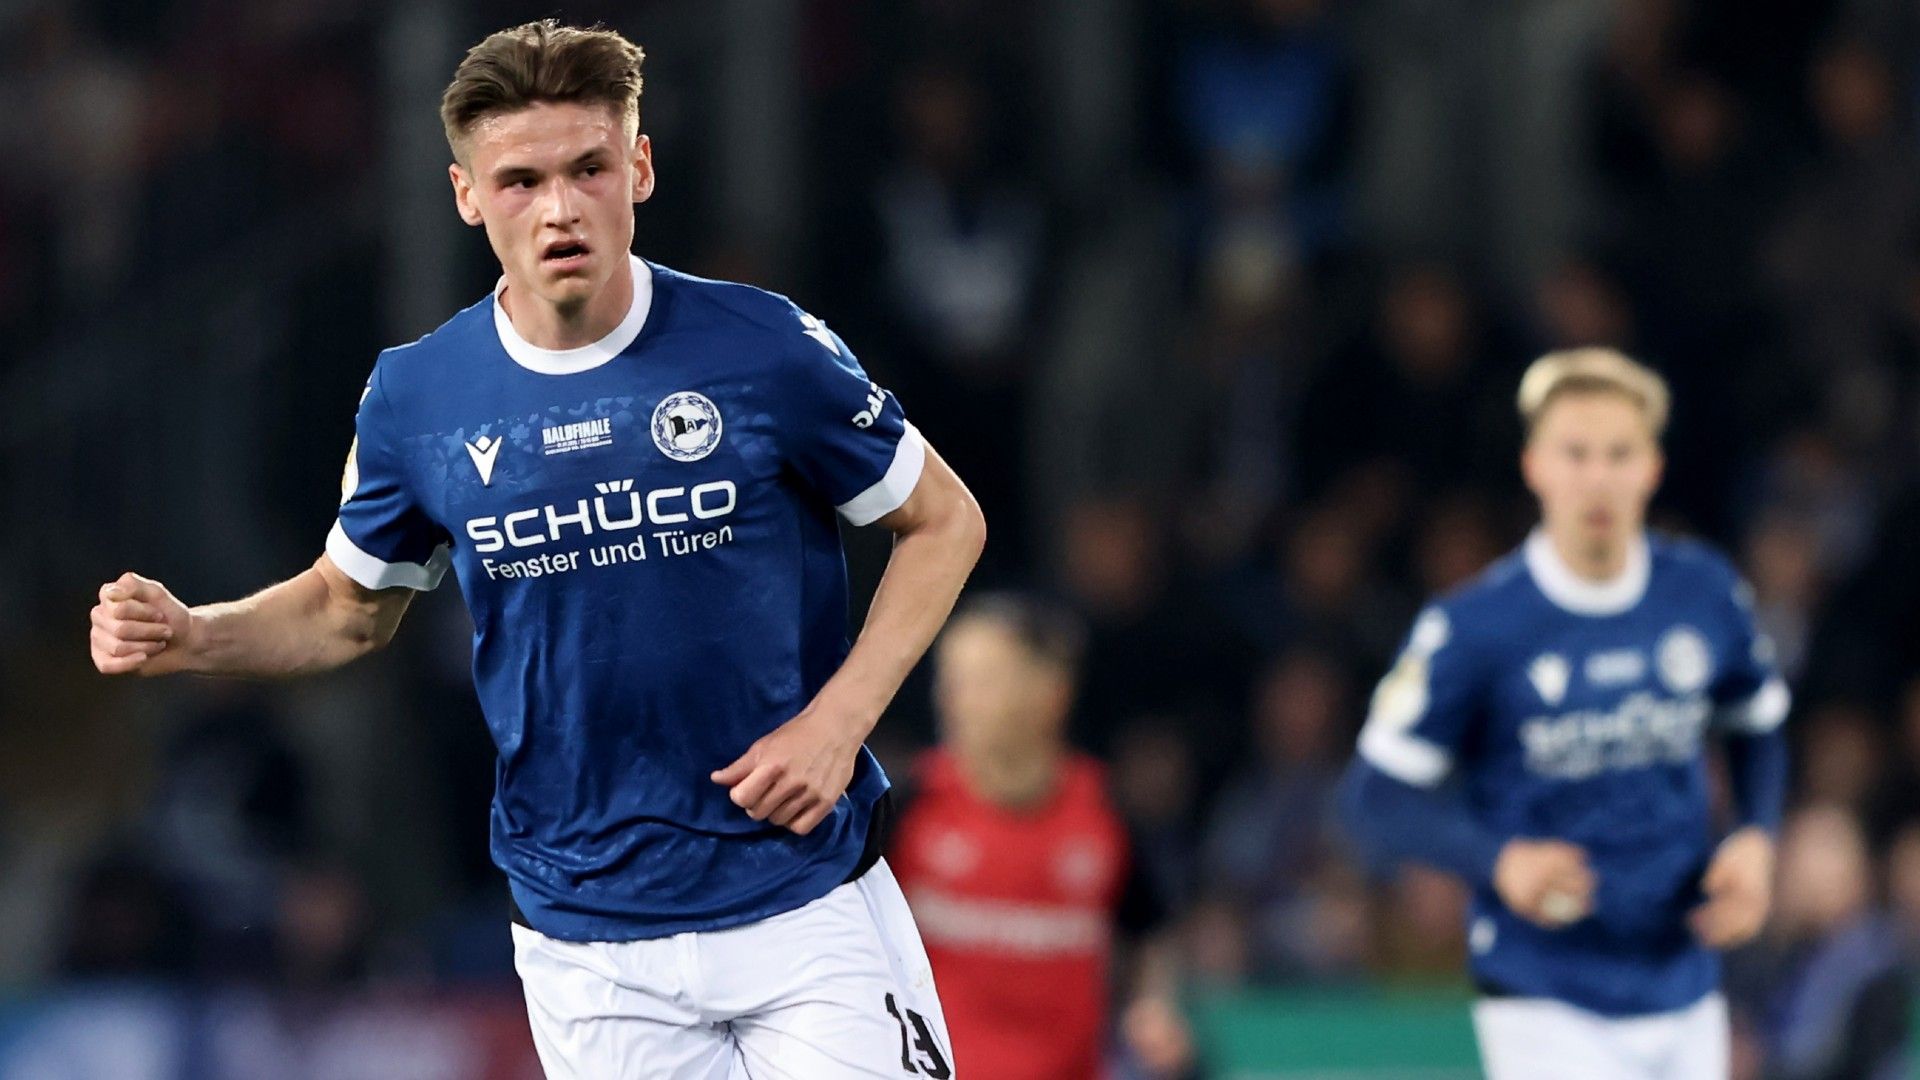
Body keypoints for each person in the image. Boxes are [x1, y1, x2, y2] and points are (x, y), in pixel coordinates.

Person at [85, 21, 985, 1080]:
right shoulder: (417, 398)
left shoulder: (764, 350)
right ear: (466, 195)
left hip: (805, 902)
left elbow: (943, 520)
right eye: (520, 181)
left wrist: (840, 723)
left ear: (637, 169)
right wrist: (197, 634)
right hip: (588, 948)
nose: (559, 207)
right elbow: (345, 609)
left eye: (588, 168)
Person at [1339, 348, 1789, 1079]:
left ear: (1651, 467)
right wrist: (1498, 860)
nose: (1597, 477)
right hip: (1542, 992)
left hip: (1683, 978)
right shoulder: (1475, 626)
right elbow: (1375, 794)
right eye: (1575, 453)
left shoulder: (1703, 594)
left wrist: (1757, 838)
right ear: (1534, 466)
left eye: (1618, 453)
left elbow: (1758, 725)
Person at [888, 594, 1192, 1080]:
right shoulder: (905, 807)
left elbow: (1150, 931)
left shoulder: (1106, 812)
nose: (953, 699)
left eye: (983, 681)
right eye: (951, 680)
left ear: (1052, 693)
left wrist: (1152, 1005)